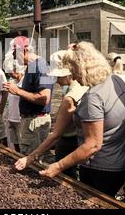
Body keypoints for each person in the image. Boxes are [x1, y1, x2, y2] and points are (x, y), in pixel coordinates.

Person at [38, 42, 125, 197]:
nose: (73, 77)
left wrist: (58, 166)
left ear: (84, 68)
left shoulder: (93, 97)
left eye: (74, 71)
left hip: (99, 168)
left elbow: (93, 145)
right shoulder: (117, 80)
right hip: (121, 163)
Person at [14, 50, 88, 179]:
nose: (56, 81)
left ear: (69, 74)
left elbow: (56, 134)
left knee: (68, 177)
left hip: (68, 142)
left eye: (58, 77)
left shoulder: (70, 97)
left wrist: (31, 157)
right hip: (75, 141)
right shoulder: (81, 88)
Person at [3, 36, 54, 156]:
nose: (15, 59)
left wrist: (17, 91)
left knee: (32, 161)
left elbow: (44, 98)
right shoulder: (32, 66)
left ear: (23, 51)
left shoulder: (40, 66)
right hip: (31, 121)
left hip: (35, 122)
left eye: (15, 55)